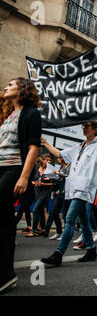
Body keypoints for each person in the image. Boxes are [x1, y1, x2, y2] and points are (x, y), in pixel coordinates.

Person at [40, 121, 97, 266]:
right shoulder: (79, 146)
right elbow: (60, 154)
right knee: (84, 220)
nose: (83, 128)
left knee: (70, 218)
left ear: (96, 129)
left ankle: (58, 254)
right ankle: (91, 249)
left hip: (84, 188)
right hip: (73, 187)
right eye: (83, 126)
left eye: (87, 126)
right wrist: (44, 142)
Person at [0, 77, 42, 293]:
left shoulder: (31, 113)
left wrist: (24, 177)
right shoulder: (8, 115)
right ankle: (6, 273)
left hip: (14, 168)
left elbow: (33, 147)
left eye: (11, 85)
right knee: (6, 221)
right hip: (1, 168)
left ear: (22, 89)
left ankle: (6, 272)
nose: (6, 87)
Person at [25, 154, 54, 237]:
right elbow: (32, 180)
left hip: (45, 193)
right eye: (47, 160)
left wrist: (42, 184)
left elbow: (53, 183)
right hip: (37, 192)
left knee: (35, 210)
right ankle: (43, 229)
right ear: (43, 160)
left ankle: (34, 230)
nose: (49, 162)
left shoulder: (50, 171)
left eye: (50, 160)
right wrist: (35, 183)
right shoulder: (37, 169)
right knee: (41, 211)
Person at [41, 157, 70, 240]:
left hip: (66, 193)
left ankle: (65, 234)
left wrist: (58, 174)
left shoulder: (69, 167)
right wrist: (53, 177)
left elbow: (68, 176)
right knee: (54, 212)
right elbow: (59, 178)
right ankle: (58, 232)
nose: (58, 159)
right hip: (58, 193)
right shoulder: (61, 167)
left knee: (65, 214)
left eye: (59, 158)